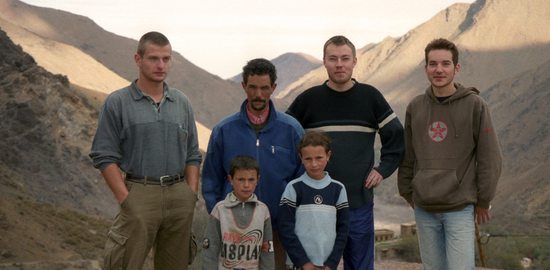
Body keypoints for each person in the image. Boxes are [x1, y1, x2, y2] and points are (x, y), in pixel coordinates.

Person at [286, 35, 404, 270]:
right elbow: (285, 138)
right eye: (333, 59)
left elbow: (396, 136)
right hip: (315, 205)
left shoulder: (370, 97)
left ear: (355, 61)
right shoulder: (308, 100)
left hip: (358, 200)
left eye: (344, 58)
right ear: (324, 62)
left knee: (359, 265)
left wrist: (383, 169)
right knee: (317, 265)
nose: (339, 64)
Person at [89, 31, 201, 270]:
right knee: (123, 264)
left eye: (166, 58)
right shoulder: (118, 102)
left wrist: (190, 195)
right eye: (153, 58)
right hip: (139, 193)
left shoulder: (182, 102)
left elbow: (192, 153)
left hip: (179, 195)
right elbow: (103, 154)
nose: (161, 65)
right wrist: (126, 199)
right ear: (138, 59)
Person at [397, 38, 503, 270]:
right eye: (433, 64)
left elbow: (489, 156)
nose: (439, 70)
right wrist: (407, 192)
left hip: (459, 207)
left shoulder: (475, 105)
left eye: (445, 64)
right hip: (424, 207)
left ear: (456, 68)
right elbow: (408, 154)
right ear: (425, 68)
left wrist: (484, 199)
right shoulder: (415, 106)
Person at [202, 58, 304, 269]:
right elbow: (211, 180)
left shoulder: (291, 130)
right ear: (243, 86)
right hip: (231, 231)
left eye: (265, 88)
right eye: (253, 88)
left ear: (274, 88)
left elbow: (302, 180)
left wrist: (289, 219)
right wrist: (223, 217)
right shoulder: (224, 130)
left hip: (277, 230)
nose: (258, 95)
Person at [278, 131, 349, 270]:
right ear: (301, 157)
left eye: (319, 158)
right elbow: (285, 229)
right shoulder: (293, 188)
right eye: (308, 159)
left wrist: (332, 263)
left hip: (327, 265)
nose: (314, 164)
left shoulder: (338, 189)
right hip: (299, 265)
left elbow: (343, 230)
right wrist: (303, 263)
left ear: (328, 155)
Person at [202, 155, 274, 270]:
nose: (246, 185)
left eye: (251, 180)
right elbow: (210, 250)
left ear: (258, 180)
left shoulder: (263, 211)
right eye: (241, 179)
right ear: (231, 179)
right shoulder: (220, 210)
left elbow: (267, 251)